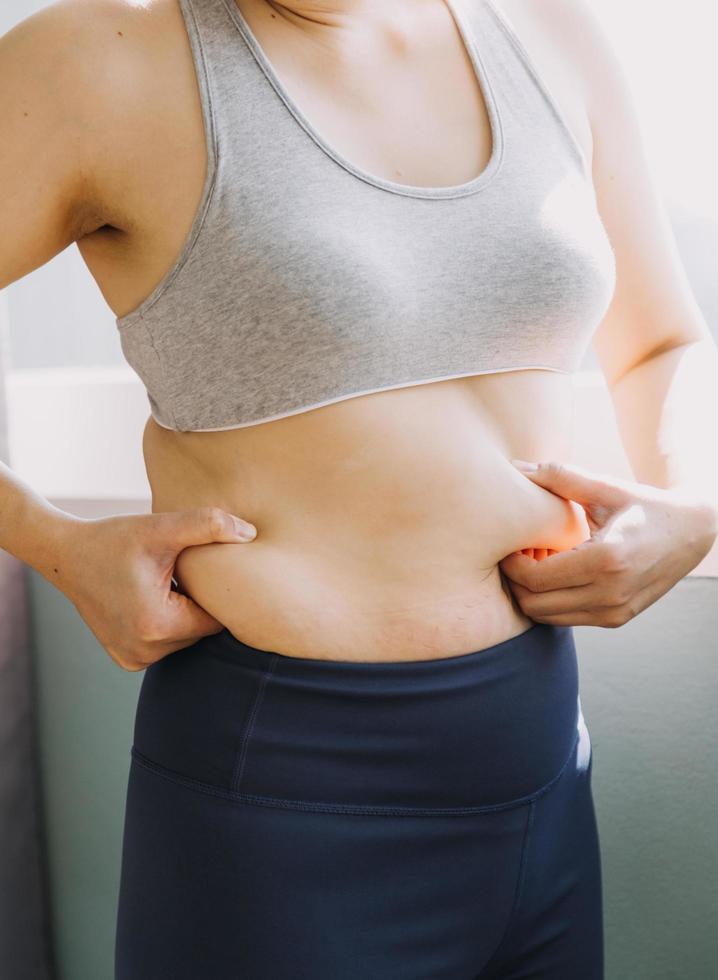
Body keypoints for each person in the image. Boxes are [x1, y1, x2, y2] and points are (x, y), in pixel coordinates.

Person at [2, 0, 717, 977]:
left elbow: (661, 341)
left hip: (541, 758)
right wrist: (56, 544)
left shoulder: (549, 29)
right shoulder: (99, 59)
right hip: (285, 791)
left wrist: (693, 507)